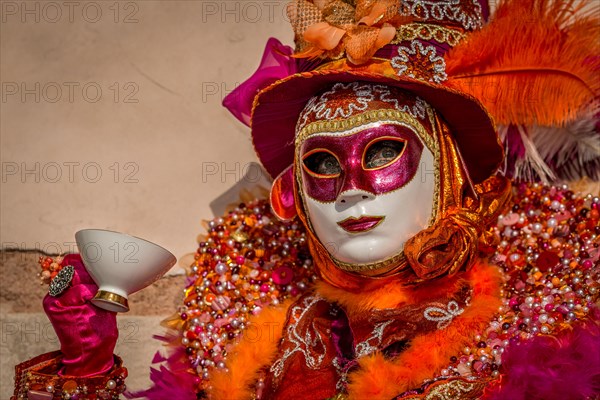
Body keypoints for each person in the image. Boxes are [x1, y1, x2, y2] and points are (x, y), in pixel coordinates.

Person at [13, 0, 599, 399]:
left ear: (447, 169)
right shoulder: (253, 336)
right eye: (321, 163)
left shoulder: (544, 324)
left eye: (381, 153)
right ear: (293, 191)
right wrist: (85, 365)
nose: (352, 186)